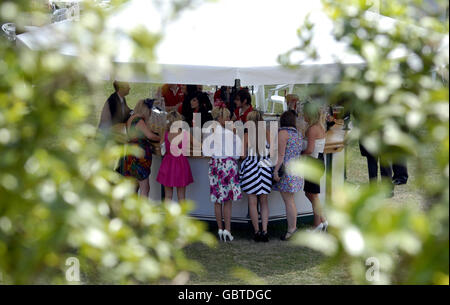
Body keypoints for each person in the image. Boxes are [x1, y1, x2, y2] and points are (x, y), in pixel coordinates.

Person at [207, 106, 242, 242]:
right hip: (228, 166)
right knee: (227, 201)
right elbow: (237, 154)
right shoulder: (231, 134)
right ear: (220, 118)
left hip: (215, 165)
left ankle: (220, 229)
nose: (229, 119)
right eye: (227, 117)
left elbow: (206, 152)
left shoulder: (209, 132)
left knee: (217, 200)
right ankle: (228, 230)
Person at [116, 99, 161, 198]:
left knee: (133, 188)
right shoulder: (139, 120)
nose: (150, 114)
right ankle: (141, 212)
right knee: (145, 187)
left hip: (130, 154)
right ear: (145, 110)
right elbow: (150, 136)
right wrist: (161, 138)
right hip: (139, 156)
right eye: (149, 112)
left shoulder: (131, 119)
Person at [240, 111, 273, 242]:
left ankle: (256, 231)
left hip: (251, 169)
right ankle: (265, 231)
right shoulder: (267, 133)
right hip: (264, 168)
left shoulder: (247, 136)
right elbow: (272, 151)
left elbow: (242, 155)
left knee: (252, 203)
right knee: (264, 202)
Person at [273, 110, 304, 240]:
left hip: (286, 171)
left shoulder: (283, 133)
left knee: (289, 202)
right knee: (291, 201)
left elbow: (280, 156)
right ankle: (293, 227)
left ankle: (292, 229)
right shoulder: (298, 134)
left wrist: (275, 171)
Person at [301, 101, 328, 232]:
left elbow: (310, 149)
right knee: (309, 193)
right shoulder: (320, 126)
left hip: (313, 163)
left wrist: (301, 153)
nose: (302, 116)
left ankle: (318, 224)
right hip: (319, 161)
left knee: (314, 195)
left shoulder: (312, 129)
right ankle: (322, 220)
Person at [156, 111, 194, 202]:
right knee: (181, 196)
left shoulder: (165, 134)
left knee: (168, 196)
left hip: (167, 163)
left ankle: (167, 216)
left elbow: (161, 147)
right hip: (181, 164)